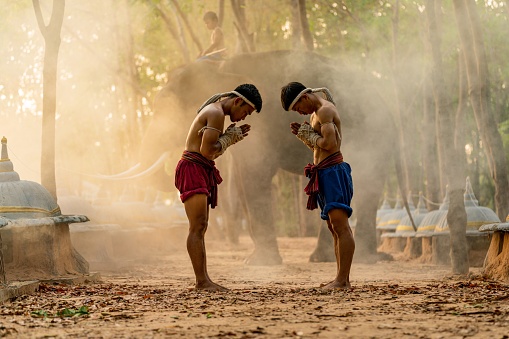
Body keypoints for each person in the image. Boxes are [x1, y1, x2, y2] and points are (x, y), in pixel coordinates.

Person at [175, 84, 262, 291]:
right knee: (197, 226)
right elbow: (207, 151)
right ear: (238, 101)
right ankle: (202, 281)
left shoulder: (216, 112)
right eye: (246, 111)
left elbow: (210, 150)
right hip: (193, 167)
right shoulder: (215, 113)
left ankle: (204, 280)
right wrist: (230, 139)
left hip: (199, 167)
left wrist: (229, 138)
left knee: (201, 226)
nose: (243, 117)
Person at [280, 82, 355, 289]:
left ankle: (342, 280)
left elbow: (331, 145)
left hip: (333, 172)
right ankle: (341, 278)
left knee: (341, 226)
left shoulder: (325, 111)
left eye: (297, 108)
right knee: (334, 227)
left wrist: (309, 134)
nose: (299, 112)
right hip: (323, 173)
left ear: (304, 97)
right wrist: (305, 135)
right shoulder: (315, 114)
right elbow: (319, 143)